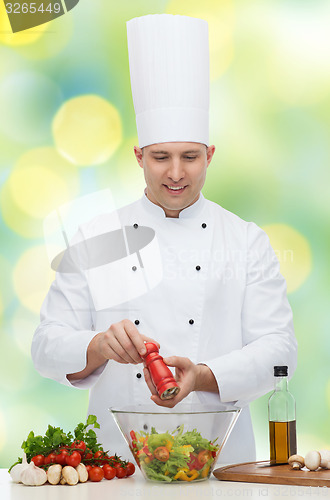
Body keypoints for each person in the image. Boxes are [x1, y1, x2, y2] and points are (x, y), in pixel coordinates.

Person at [31, 14, 297, 464]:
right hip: (118, 468)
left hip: (221, 467)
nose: (176, 173)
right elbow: (45, 345)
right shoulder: (97, 236)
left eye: (190, 157)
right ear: (138, 156)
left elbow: (280, 348)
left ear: (210, 154)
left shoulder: (246, 241)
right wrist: (96, 347)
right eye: (160, 157)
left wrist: (205, 374)